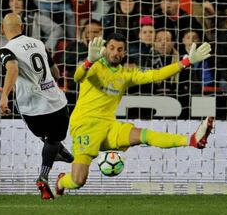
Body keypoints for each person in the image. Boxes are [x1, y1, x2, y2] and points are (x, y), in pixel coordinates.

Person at [55, 33, 214, 195]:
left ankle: (192, 140)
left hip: (109, 126)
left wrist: (186, 61)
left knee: (143, 135)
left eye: (120, 49)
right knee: (77, 181)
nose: (115, 53)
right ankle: (61, 181)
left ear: (124, 53)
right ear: (105, 49)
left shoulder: (126, 74)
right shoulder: (95, 66)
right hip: (85, 125)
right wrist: (89, 61)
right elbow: (77, 77)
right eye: (111, 48)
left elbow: (156, 74)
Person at [0, 13, 74, 200]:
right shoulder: (39, 43)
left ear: (2, 29)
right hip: (55, 103)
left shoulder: (4, 50)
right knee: (55, 139)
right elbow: (54, 71)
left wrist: (4, 96)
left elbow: (13, 68)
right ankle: (44, 174)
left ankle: (57, 152)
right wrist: (49, 83)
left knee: (46, 136)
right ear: (22, 27)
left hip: (30, 108)